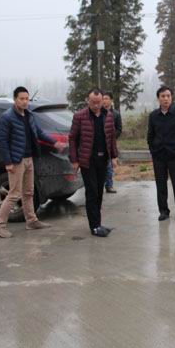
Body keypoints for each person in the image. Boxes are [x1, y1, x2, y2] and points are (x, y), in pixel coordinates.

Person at [0, 86, 65, 238]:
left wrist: (54, 143)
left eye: (26, 99)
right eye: (21, 99)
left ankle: (31, 221)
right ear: (15, 99)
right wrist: (8, 162)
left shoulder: (29, 115)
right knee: (14, 194)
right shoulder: (7, 117)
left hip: (29, 158)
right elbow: (3, 141)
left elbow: (39, 132)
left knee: (28, 192)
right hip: (16, 160)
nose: (25, 102)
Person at [69, 89, 119, 237]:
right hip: (87, 160)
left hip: (103, 159)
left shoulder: (108, 115)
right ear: (87, 101)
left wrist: (114, 156)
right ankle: (94, 226)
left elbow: (111, 137)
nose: (96, 105)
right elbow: (72, 139)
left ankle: (98, 222)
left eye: (99, 102)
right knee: (92, 192)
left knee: (99, 192)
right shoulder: (80, 116)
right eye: (93, 102)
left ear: (102, 101)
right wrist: (74, 160)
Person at [147, 86, 175, 222]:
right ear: (158, 98)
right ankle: (163, 211)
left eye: (168, 96)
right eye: (163, 96)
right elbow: (150, 135)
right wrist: (153, 150)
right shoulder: (153, 116)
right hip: (159, 156)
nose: (166, 99)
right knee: (160, 184)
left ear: (171, 98)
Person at [102, 91, 122, 194]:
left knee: (109, 165)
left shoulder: (116, 114)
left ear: (111, 100)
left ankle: (109, 185)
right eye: (103, 99)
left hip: (110, 143)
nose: (104, 101)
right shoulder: (98, 112)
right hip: (100, 143)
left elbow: (119, 129)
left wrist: (112, 138)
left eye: (106, 98)